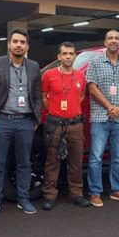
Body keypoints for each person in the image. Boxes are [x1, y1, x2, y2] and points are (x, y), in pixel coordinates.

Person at [0, 29, 42, 216]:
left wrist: (36, 118)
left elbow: (38, 95)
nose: (18, 45)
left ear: (27, 46)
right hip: (3, 121)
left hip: (25, 122)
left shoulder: (33, 66)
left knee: (24, 163)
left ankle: (23, 199)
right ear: (8, 44)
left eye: (22, 42)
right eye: (15, 41)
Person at [85, 30, 119, 207]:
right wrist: (110, 107)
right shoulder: (94, 63)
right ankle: (95, 192)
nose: (113, 41)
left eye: (116, 38)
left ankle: (117, 190)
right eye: (110, 38)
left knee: (118, 158)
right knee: (95, 157)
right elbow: (92, 88)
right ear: (105, 42)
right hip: (100, 118)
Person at [41, 42, 90, 210]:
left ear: (74, 56)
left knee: (76, 161)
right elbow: (44, 96)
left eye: (71, 53)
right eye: (65, 53)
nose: (68, 56)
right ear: (59, 56)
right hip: (55, 124)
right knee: (52, 161)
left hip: (75, 125)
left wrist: (71, 110)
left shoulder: (80, 76)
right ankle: (49, 194)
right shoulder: (49, 75)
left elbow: (82, 96)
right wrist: (55, 111)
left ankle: (76, 193)